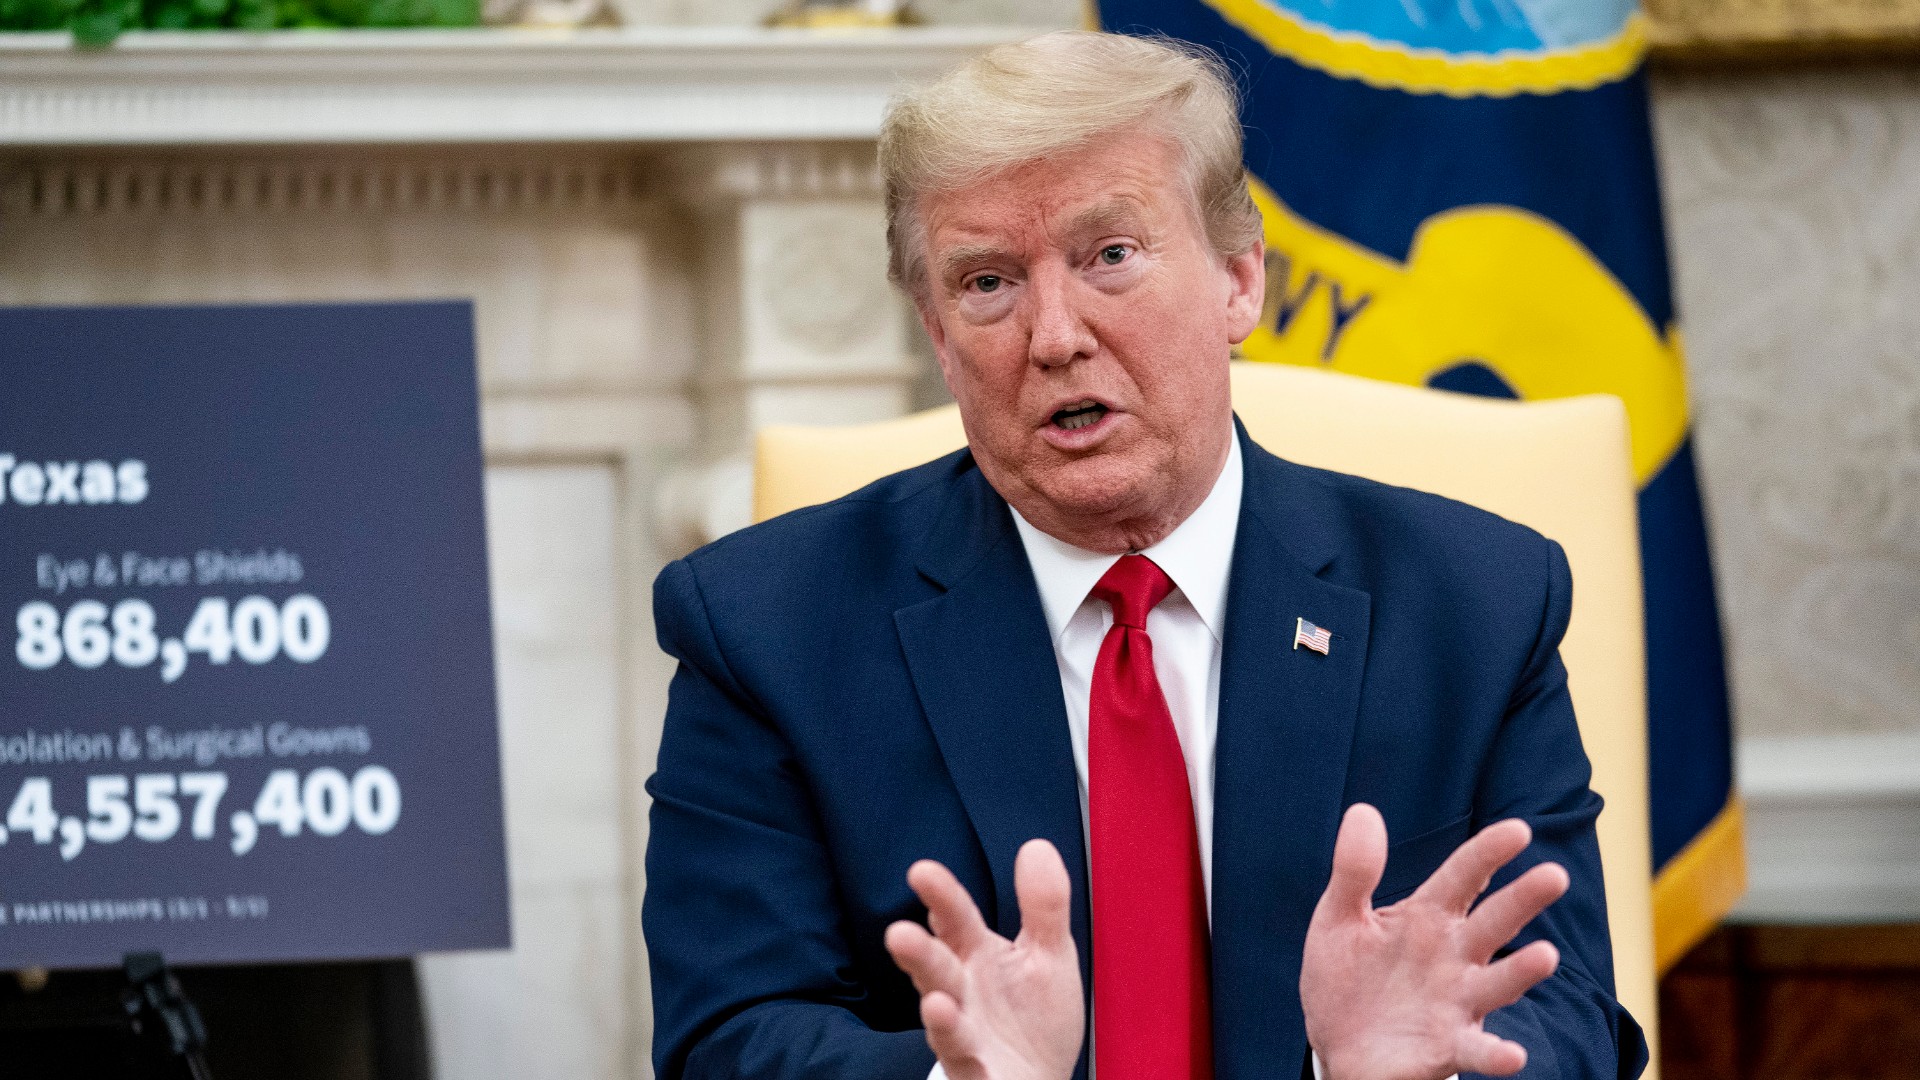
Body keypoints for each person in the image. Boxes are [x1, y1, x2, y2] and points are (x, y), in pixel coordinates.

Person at [643, 29, 1645, 1080]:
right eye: (987, 282)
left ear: (1239, 281)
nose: (1055, 335)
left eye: (1109, 256)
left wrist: (1412, 1071)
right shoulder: (763, 629)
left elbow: (1570, 1014)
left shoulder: (1474, 608)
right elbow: (729, 1036)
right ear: (938, 337)